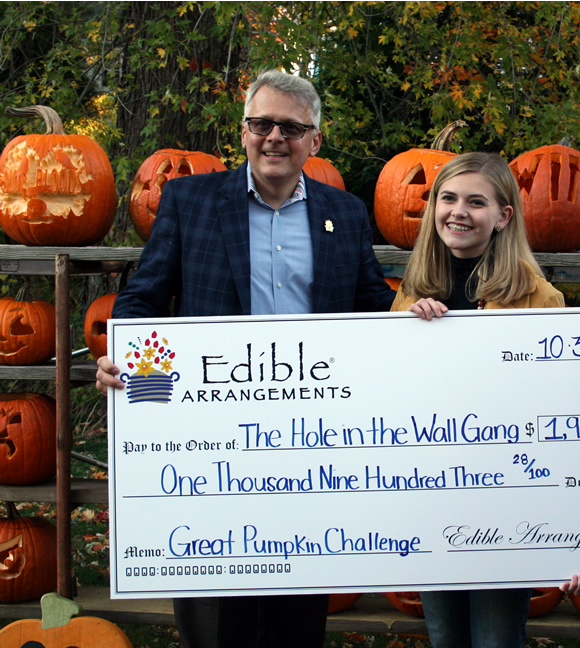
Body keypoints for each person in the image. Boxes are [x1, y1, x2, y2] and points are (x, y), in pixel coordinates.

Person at [96, 69, 395, 648]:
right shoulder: (190, 201)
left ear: (315, 140)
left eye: (290, 127)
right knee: (216, 608)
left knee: (298, 602)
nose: (274, 137)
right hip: (214, 434)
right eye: (262, 124)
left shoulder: (346, 212)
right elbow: (143, 297)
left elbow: (372, 307)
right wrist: (122, 353)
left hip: (312, 436)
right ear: (243, 131)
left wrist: (422, 319)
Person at [391, 151, 580, 648]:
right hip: (433, 502)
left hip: (508, 504)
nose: (458, 211)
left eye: (476, 202)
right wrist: (406, 333)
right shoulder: (410, 295)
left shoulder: (538, 298)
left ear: (503, 217)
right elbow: (390, 403)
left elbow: (564, 422)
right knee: (444, 636)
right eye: (448, 198)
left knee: (497, 639)